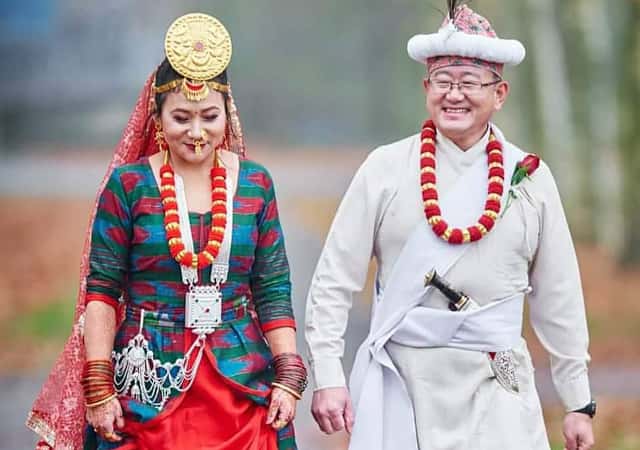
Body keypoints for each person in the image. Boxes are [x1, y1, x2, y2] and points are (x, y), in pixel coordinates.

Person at [305, 3, 595, 450]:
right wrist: (327, 374)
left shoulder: (530, 177)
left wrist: (578, 400)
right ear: (426, 88)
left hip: (498, 388)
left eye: (470, 83)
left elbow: (559, 293)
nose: (454, 95)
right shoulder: (385, 168)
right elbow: (333, 281)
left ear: (499, 94)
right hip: (404, 382)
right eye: (443, 82)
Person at [27, 13, 306, 450]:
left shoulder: (255, 184)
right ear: (157, 118)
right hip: (146, 380)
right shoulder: (131, 187)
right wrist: (99, 388)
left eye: (209, 116)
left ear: (226, 113)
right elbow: (101, 292)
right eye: (181, 118)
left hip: (241, 380)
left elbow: (271, 287)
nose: (197, 133)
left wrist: (288, 374)